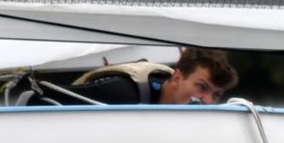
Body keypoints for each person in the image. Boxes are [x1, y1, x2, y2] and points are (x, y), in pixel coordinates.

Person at [22, 48, 239, 105]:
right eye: (202, 87)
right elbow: (35, 99)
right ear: (176, 78)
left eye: (216, 95)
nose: (207, 101)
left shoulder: (199, 116)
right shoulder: (122, 93)